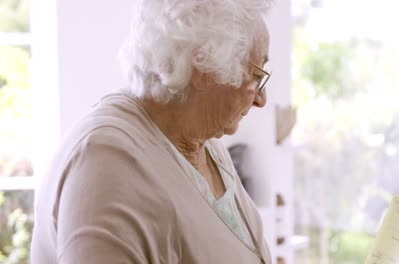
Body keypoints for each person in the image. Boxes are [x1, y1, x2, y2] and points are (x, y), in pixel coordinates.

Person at [30, 0, 273, 263]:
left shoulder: (209, 148)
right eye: (256, 75)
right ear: (204, 67)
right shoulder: (107, 162)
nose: (261, 99)